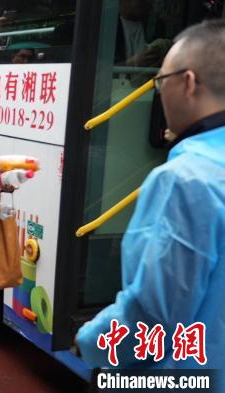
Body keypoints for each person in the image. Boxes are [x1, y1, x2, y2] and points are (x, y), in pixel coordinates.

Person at [76, 20, 225, 373]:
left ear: (188, 83)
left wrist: (90, 342)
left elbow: (152, 313)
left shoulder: (184, 180)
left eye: (161, 80)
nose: (158, 91)